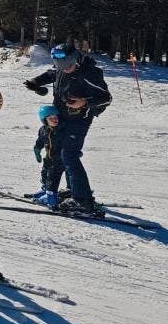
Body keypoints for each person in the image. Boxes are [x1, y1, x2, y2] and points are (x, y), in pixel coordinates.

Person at [24, 42, 112, 216]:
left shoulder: (88, 73)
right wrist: (36, 82)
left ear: (75, 59)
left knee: (69, 155)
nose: (64, 69)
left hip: (79, 120)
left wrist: (84, 102)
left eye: (68, 65)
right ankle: (73, 190)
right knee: (59, 153)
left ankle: (83, 201)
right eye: (60, 66)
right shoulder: (61, 69)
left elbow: (106, 98)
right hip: (62, 118)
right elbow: (51, 74)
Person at [31, 104, 68, 207]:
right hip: (49, 158)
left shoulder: (62, 129)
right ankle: (45, 189)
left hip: (60, 160)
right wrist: (37, 149)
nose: (54, 120)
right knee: (44, 173)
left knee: (52, 178)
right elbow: (40, 140)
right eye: (51, 118)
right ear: (44, 120)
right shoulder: (43, 130)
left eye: (55, 117)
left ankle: (51, 197)